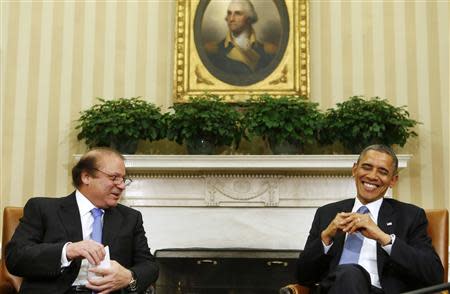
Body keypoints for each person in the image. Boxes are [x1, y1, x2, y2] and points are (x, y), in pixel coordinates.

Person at [6, 147, 159, 294]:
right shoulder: (43, 209)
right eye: (114, 178)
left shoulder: (130, 218)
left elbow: (150, 265)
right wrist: (68, 251)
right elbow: (16, 257)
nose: (121, 186)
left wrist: (129, 277)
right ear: (86, 177)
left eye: (123, 179)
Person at [297, 144, 443, 294]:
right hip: (334, 289)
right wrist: (326, 237)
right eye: (366, 167)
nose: (372, 176)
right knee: (349, 274)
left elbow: (434, 274)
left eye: (382, 171)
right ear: (354, 170)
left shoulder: (410, 216)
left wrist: (384, 238)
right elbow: (302, 276)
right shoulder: (327, 213)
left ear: (393, 180)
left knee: (351, 273)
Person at [204, 0, 277, 75]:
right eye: (229, 13)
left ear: (249, 18)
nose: (231, 19)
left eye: (237, 14)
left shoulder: (268, 51)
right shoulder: (213, 51)